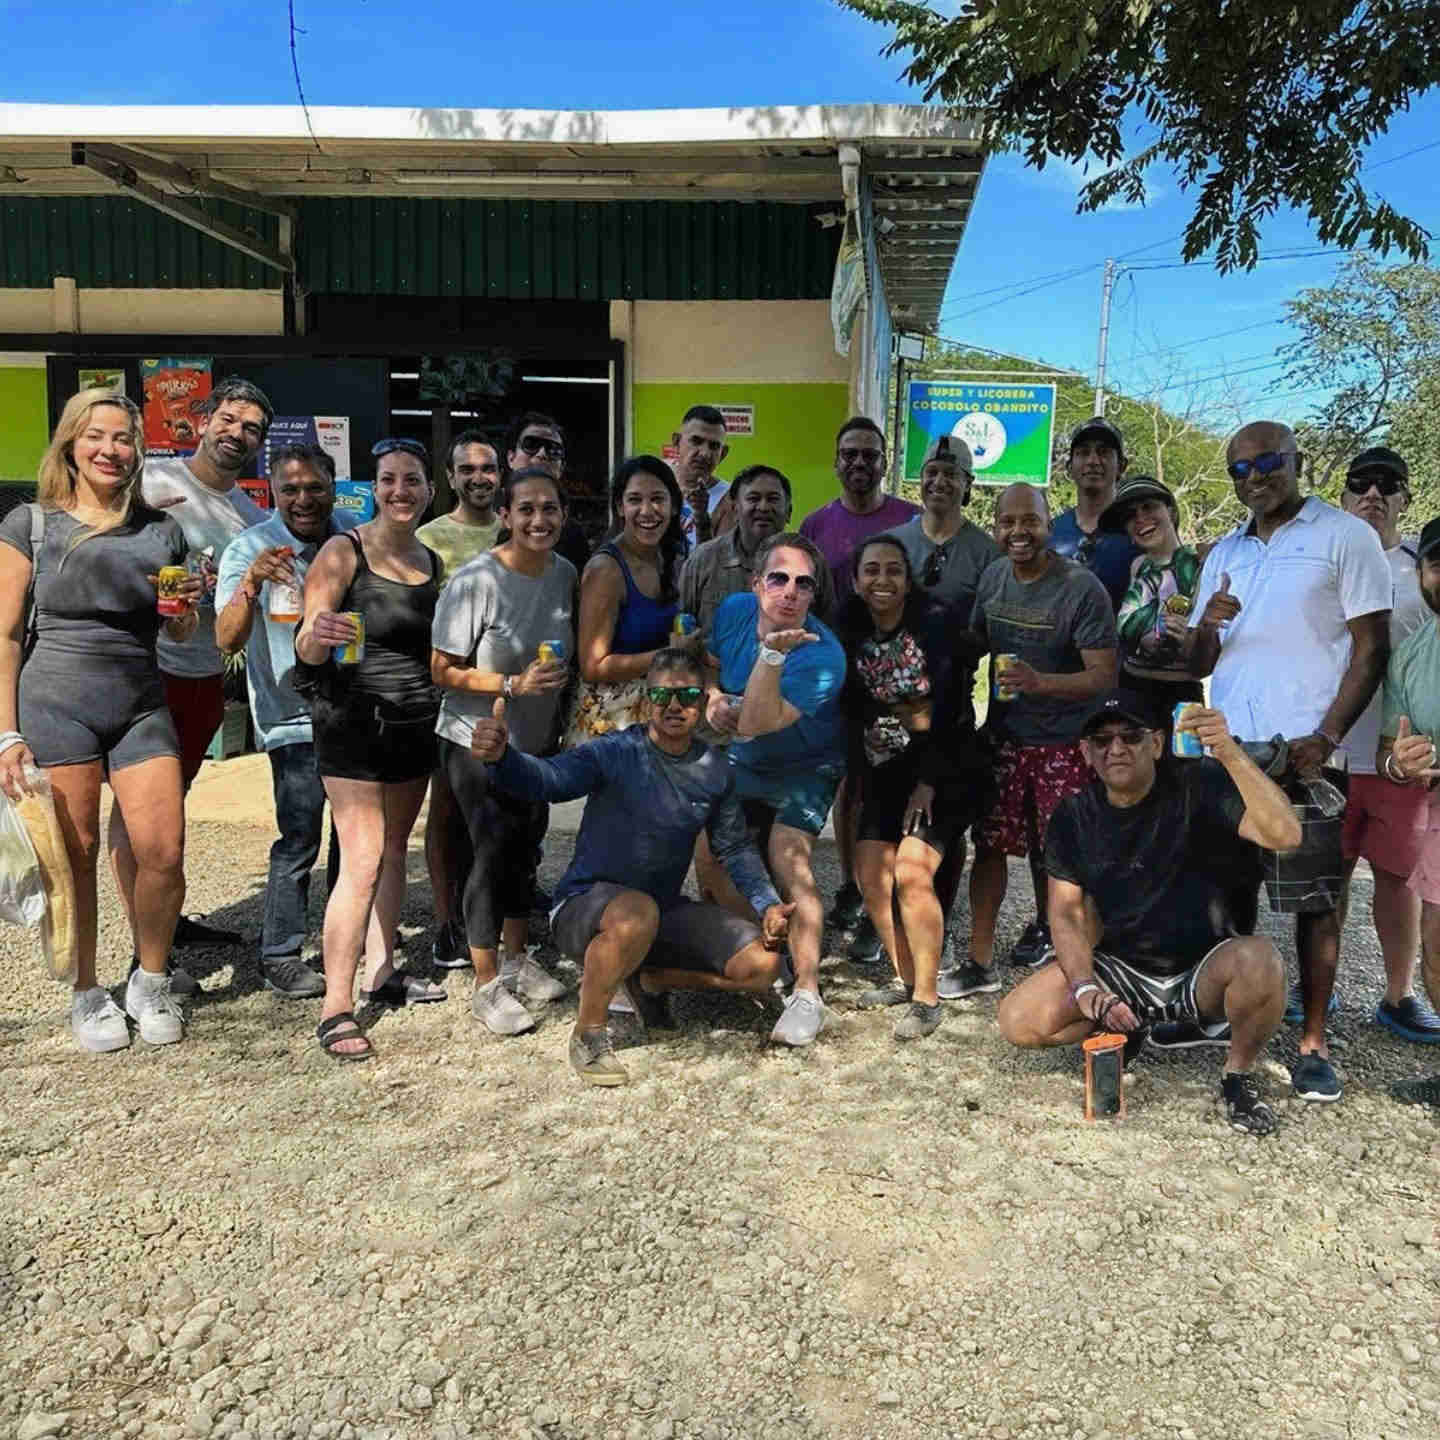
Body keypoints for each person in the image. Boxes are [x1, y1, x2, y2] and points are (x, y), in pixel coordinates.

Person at [471, 648, 792, 1086]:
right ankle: (589, 1035)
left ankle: (651, 980)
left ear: (702, 703)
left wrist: (769, 904)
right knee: (637, 913)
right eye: (660, 694)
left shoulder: (716, 770)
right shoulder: (614, 750)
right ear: (645, 700)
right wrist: (502, 758)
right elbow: (549, 780)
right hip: (583, 908)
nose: (673, 706)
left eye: (687, 695)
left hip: (658, 912)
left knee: (764, 965)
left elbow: (734, 848)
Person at [1187, 420, 1391, 1103]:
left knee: (1314, 899)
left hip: (1307, 751)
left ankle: (1313, 1042)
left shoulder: (1344, 536)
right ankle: (1231, 1015)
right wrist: (1207, 625)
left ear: (1298, 460)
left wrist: (1329, 736)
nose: (1255, 477)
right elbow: (1196, 663)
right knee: (1229, 888)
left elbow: (1371, 647)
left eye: (1267, 461)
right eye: (1239, 470)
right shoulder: (1225, 552)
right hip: (1233, 751)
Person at [996, 691, 1301, 1136]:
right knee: (1017, 1021)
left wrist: (1231, 754)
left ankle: (1237, 1075)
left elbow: (1286, 834)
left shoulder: (1202, 783)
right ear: (1085, 752)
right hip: (1123, 968)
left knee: (1263, 962)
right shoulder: (1073, 815)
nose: (1115, 749)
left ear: (1157, 743)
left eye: (1130, 737)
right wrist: (1085, 989)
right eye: (1101, 740)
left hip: (1205, 967)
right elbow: (1064, 914)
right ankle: (1128, 1026)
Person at [0, 388, 201, 1051]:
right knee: (75, 855)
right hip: (56, 704)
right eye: (96, 436)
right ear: (70, 446)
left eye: (123, 439)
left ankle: (148, 977)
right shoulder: (29, 523)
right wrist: (6, 733)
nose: (110, 450)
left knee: (164, 852)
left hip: (140, 703)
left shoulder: (162, 530)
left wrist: (185, 609)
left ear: (138, 452)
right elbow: (4, 636)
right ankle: (87, 991)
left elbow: (177, 632)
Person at [295, 437, 447, 1061]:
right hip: (352, 722)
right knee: (359, 858)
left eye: (412, 480)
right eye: (388, 480)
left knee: (390, 849)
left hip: (415, 724)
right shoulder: (342, 550)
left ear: (428, 490)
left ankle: (382, 971)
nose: (400, 491)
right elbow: (306, 643)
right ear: (373, 487)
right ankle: (336, 1005)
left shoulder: (433, 562)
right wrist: (317, 634)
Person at [431, 466, 575, 1034]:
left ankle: (516, 959)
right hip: (476, 741)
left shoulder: (565, 573)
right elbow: (441, 669)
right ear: (507, 516)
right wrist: (511, 685)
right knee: (490, 854)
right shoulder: (476, 580)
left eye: (550, 509)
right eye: (527, 510)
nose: (539, 520)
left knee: (525, 849)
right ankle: (486, 982)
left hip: (536, 744)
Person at [134, 376, 272, 964]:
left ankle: (167, 921)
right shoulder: (152, 479)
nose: (237, 434)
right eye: (230, 419)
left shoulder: (248, 516)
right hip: (141, 667)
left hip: (200, 672)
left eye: (251, 430)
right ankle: (148, 948)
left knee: (174, 805)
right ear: (206, 417)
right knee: (142, 817)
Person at [838, 536, 993, 1039]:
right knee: (870, 872)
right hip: (884, 766)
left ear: (908, 581)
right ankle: (905, 977)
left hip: (945, 766)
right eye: (871, 570)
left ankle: (927, 998)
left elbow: (945, 710)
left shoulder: (935, 625)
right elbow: (852, 702)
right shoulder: (850, 626)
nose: (881, 580)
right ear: (857, 580)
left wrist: (928, 779)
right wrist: (904, 714)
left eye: (892, 571)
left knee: (910, 868)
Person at [965, 483, 1118, 984]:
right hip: (1005, 738)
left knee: (1063, 858)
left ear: (1050, 526)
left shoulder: (1080, 588)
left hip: (1064, 744)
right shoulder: (992, 577)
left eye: (1029, 520)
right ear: (995, 527)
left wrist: (1040, 682)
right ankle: (979, 961)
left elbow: (1103, 676)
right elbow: (972, 645)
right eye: (1007, 521)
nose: (1018, 532)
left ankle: (1075, 970)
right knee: (989, 847)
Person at [215, 442, 351, 998]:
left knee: (356, 837)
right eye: (290, 489)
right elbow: (226, 639)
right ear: (272, 490)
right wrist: (251, 582)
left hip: (353, 713)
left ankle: (348, 943)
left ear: (333, 486)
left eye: (314, 487)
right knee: (299, 838)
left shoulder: (352, 538)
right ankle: (281, 953)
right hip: (293, 719)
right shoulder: (251, 547)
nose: (303, 499)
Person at [706, 532, 847, 1046]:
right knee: (709, 855)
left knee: (790, 862)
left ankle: (808, 992)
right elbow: (712, 668)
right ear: (756, 583)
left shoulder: (823, 657)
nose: (790, 591)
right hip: (745, 762)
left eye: (803, 583)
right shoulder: (734, 610)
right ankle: (775, 953)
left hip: (806, 766)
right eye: (779, 578)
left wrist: (769, 658)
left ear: (813, 594)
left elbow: (758, 722)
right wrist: (713, 697)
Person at [800, 416, 918, 957]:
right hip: (838, 675)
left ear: (885, 460)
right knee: (850, 785)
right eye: (850, 454)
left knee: (893, 784)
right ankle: (851, 884)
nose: (859, 463)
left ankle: (890, 888)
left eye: (870, 454)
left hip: (899, 675)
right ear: (836, 460)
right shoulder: (816, 524)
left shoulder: (910, 520)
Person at [1334, 447, 1440, 1044]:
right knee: (1325, 878)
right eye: (1360, 484)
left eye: (1387, 485)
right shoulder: (1325, 561)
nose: (1373, 494)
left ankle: (1397, 995)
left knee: (1394, 880)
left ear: (1404, 497)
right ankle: (1311, 981)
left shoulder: (1422, 572)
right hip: (1323, 752)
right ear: (1344, 497)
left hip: (1395, 760)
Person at [417, 430, 506, 972]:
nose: (479, 478)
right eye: (467, 469)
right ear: (450, 478)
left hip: (507, 696)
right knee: (447, 809)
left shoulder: (514, 528)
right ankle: (448, 920)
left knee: (500, 807)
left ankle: (495, 910)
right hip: (443, 692)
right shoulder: (429, 537)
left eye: (488, 468)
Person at [1378, 514, 1440, 1107]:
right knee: (1438, 937)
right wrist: (1402, 761)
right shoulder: (1413, 654)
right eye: (1437, 562)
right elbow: (1390, 754)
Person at [570, 456, 693, 744]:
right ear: (619, 507)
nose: (647, 511)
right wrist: (670, 654)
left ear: (674, 506)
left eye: (657, 499)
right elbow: (592, 667)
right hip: (610, 729)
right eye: (635, 499)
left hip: (658, 720)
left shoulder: (671, 556)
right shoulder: (606, 570)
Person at [678, 464, 833, 643]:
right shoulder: (703, 559)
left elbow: (828, 631)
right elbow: (681, 623)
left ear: (789, 512)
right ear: (735, 510)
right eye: (753, 498)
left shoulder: (812, 563)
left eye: (773, 499)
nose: (763, 507)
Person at [1101, 475, 1205, 727]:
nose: (1140, 519)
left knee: (1183, 765)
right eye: (1130, 515)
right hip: (1131, 687)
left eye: (1149, 507)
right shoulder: (1138, 566)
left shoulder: (1202, 562)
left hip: (1180, 694)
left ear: (1169, 509)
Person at [885, 434, 1002, 628]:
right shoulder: (893, 544)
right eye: (931, 472)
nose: (938, 482)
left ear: (968, 484)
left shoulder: (987, 554)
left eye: (950, 474)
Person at [1050, 416, 1139, 611]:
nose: (1093, 461)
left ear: (1122, 466)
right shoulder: (1050, 533)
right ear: (1069, 467)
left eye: (1103, 452)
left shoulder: (1140, 534)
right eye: (1083, 453)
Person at [504, 412, 590, 575]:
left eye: (553, 450)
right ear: (511, 457)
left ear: (561, 467)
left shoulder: (572, 537)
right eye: (531, 444)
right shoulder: (491, 526)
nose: (542, 454)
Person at [671, 404, 731, 547]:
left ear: (723, 454)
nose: (705, 453)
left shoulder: (729, 499)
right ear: (676, 442)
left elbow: (717, 561)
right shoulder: (653, 481)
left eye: (714, 446)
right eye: (696, 441)